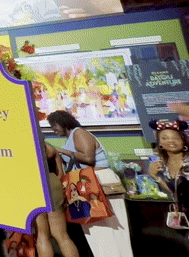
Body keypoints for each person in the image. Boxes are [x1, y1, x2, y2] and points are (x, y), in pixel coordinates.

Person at [47, 110, 133, 257]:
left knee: (110, 228)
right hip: (86, 182)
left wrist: (62, 151)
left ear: (62, 122)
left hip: (98, 179)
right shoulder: (72, 137)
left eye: (54, 125)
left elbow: (88, 158)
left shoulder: (78, 132)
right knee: (97, 230)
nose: (53, 129)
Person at [35, 142, 79, 257]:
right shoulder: (50, 148)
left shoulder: (26, 145)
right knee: (62, 236)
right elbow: (60, 174)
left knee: (42, 236)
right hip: (53, 181)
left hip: (35, 183)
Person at [147, 119, 189, 213]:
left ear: (184, 141)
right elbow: (174, 191)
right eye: (164, 138)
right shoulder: (163, 164)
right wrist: (155, 176)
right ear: (160, 143)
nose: (171, 141)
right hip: (183, 211)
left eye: (176, 138)